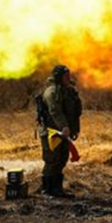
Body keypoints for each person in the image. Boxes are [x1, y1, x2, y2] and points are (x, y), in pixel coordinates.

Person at [37, 64, 82, 198]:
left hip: (62, 133)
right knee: (52, 161)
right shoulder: (51, 92)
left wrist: (73, 129)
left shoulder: (67, 91)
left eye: (69, 75)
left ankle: (57, 190)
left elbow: (74, 112)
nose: (68, 78)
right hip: (52, 133)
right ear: (58, 77)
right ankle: (46, 190)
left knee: (62, 159)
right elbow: (55, 111)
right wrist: (64, 126)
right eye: (65, 76)